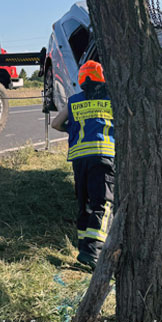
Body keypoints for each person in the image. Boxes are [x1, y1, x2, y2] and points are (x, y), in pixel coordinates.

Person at [51, 60, 115, 270]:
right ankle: (93, 251)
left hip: (79, 159)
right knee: (103, 203)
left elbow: (56, 124)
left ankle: (82, 246)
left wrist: (73, 130)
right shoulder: (112, 99)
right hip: (104, 156)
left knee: (84, 203)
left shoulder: (74, 100)